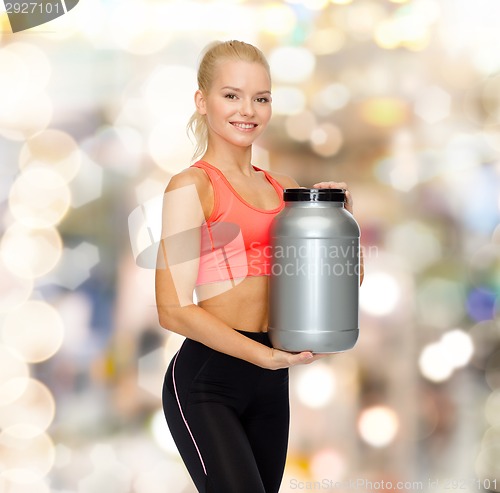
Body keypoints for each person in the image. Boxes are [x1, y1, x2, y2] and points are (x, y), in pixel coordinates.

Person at [156, 40, 364, 493]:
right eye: (231, 95)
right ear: (202, 101)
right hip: (208, 380)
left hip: (270, 382)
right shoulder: (191, 186)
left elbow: (343, 286)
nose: (247, 109)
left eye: (261, 98)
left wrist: (342, 219)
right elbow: (172, 309)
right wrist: (264, 356)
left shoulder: (285, 190)